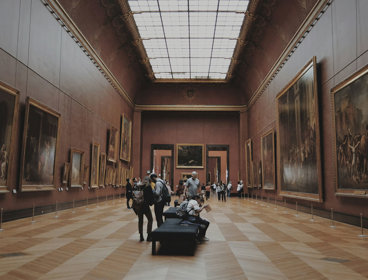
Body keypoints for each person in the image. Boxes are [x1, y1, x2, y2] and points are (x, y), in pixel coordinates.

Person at [137, 177, 154, 242]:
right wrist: (151, 203)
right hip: (145, 206)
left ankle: (141, 236)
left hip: (139, 206)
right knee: (150, 219)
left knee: (140, 221)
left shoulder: (139, 186)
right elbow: (151, 197)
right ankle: (149, 235)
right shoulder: (148, 187)